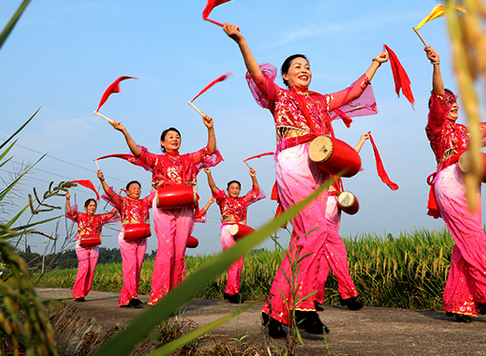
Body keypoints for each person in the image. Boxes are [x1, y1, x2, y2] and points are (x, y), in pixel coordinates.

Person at [223, 22, 388, 337]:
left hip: (320, 163)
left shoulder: (321, 101)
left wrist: (374, 65)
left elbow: (352, 92)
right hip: (294, 162)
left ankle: (301, 309)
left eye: (308, 67)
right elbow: (258, 76)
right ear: (284, 75)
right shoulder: (278, 97)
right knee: (310, 235)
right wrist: (242, 41)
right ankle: (286, 311)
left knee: (314, 238)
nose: (304, 70)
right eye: (297, 66)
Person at [424, 45, 486, 323]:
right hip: (450, 181)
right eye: (448, 102)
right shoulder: (436, 128)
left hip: (471, 184)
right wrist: (436, 65)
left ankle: (456, 303)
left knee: (465, 244)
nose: (453, 105)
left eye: (455, 102)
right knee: (475, 240)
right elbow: (438, 94)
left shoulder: (465, 132)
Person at [108, 114, 222, 305]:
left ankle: (176, 295)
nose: (175, 139)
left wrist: (210, 128)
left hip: (184, 206)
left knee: (179, 252)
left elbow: (209, 150)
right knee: (166, 249)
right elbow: (138, 153)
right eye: (170, 136)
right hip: (163, 205)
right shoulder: (157, 160)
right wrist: (124, 131)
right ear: (162, 142)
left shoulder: (188, 159)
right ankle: (159, 295)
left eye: (177, 136)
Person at [312, 133, 370, 312]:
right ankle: (348, 295)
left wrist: (361, 140)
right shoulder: (316, 168)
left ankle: (313, 298)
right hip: (323, 215)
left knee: (323, 261)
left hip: (332, 212)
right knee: (339, 253)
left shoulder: (335, 168)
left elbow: (350, 156)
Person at [204, 166, 264, 304]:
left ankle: (228, 291)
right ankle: (235, 293)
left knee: (240, 263)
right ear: (228, 190)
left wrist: (253, 176)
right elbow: (213, 187)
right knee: (233, 261)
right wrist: (209, 174)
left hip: (241, 231)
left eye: (237, 188)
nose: (235, 190)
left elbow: (255, 191)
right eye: (232, 188)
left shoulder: (243, 201)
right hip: (227, 230)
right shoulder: (223, 199)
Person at [97, 170, 156, 308]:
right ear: (127, 192)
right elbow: (111, 194)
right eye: (133, 188)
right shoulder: (122, 202)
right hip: (127, 235)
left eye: (139, 188)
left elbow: (155, 195)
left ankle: (124, 299)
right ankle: (133, 296)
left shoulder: (144, 202)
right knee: (130, 266)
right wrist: (102, 180)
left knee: (137, 266)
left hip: (141, 236)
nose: (137, 190)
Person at [64, 191, 117, 302]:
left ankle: (84, 293)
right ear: (86, 207)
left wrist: (116, 202)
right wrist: (68, 200)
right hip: (81, 244)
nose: (92, 207)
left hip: (94, 244)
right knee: (84, 267)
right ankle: (78, 293)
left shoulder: (99, 218)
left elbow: (111, 214)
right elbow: (69, 212)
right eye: (90, 205)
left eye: (94, 205)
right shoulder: (80, 216)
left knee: (91, 269)